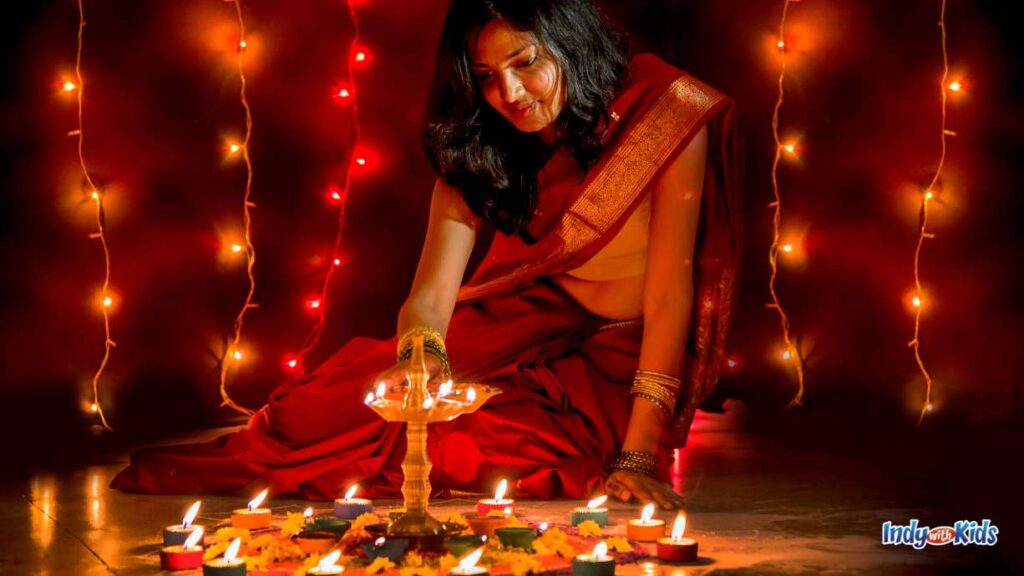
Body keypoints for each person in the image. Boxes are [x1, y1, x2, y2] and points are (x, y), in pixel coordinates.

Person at [112, 0, 740, 510]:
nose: (511, 94)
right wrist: (424, 359)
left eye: (525, 63)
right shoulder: (482, 150)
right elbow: (430, 297)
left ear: (569, 40)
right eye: (488, 77)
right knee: (311, 414)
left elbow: (669, 290)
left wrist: (640, 453)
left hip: (613, 363)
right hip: (523, 324)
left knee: (468, 447)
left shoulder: (663, 110)